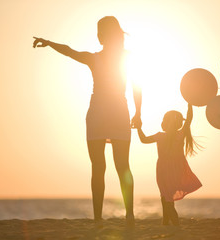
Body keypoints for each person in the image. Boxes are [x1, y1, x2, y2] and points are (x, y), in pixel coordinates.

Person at [33, 16, 142, 225]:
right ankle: (128, 216)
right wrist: (138, 113)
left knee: (101, 167)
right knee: (122, 166)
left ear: (101, 37)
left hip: (102, 113)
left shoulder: (100, 58)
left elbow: (69, 50)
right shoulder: (124, 57)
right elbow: (137, 88)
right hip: (116, 111)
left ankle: (100, 218)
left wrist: (48, 43)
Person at [136, 104, 202, 225]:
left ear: (166, 122)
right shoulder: (180, 134)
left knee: (167, 198)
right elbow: (189, 119)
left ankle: (175, 224)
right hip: (176, 170)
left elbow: (143, 139)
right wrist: (189, 103)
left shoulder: (160, 136)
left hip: (163, 171)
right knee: (166, 197)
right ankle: (166, 222)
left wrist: (139, 128)